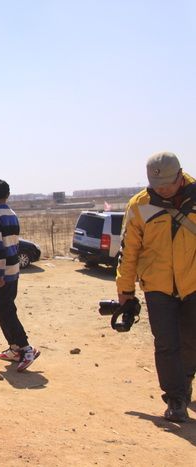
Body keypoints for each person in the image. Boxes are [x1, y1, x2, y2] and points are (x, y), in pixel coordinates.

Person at [116, 151, 196, 423]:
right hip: (157, 287)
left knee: (190, 341)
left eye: (167, 185)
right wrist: (125, 289)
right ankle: (175, 400)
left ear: (180, 176)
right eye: (155, 184)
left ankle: (184, 387)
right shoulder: (139, 205)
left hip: (193, 284)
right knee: (166, 344)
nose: (161, 189)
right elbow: (128, 251)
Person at [0, 179, 40, 372]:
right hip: (13, 269)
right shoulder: (12, 214)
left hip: (1, 273)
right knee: (5, 309)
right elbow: (14, 244)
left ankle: (26, 348)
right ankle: (14, 349)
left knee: (5, 311)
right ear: (7, 195)